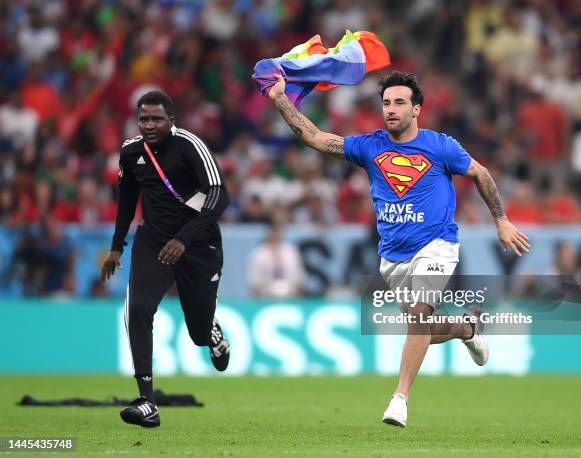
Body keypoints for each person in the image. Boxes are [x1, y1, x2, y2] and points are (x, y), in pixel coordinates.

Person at [267, 71, 530, 427]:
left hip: (437, 245)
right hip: (392, 256)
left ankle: (400, 399)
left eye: (399, 103)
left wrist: (500, 219)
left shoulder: (440, 146)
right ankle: (468, 328)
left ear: (417, 109)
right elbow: (314, 137)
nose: (391, 109)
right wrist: (281, 98)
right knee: (421, 328)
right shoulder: (369, 147)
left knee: (419, 317)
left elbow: (480, 174)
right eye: (386, 103)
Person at [100, 90, 231, 428]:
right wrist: (117, 246)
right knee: (138, 308)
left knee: (198, 332)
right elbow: (127, 196)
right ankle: (147, 401)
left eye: (156, 118)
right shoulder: (131, 153)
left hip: (199, 246)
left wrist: (184, 239)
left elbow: (219, 196)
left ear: (171, 120)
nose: (149, 124)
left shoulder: (189, 145)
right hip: (154, 242)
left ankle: (211, 332)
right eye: (144, 118)